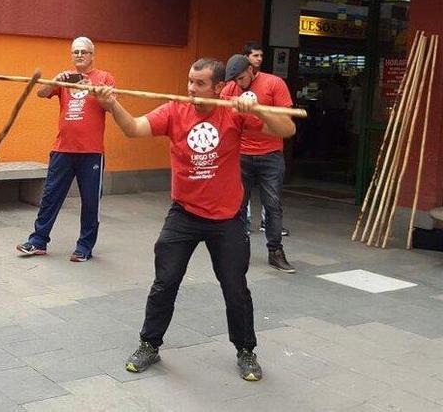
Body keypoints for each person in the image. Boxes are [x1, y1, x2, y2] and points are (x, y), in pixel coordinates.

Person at [93, 58, 296, 381]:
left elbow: (288, 128)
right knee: (165, 282)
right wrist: (110, 103)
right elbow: (134, 129)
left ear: (218, 87)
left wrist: (256, 109)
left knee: (235, 288)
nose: (191, 89)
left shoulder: (232, 110)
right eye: (189, 81)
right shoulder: (175, 110)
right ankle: (149, 344)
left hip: (227, 218)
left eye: (199, 84)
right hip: (184, 214)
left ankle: (246, 351)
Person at [15, 36, 115, 262]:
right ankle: (38, 241)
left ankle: (84, 247)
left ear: (92, 55)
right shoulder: (66, 77)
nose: (79, 55)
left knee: (90, 201)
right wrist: (54, 82)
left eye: (84, 52)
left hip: (91, 152)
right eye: (76, 52)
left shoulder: (104, 78)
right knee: (50, 196)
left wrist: (94, 90)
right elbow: (41, 93)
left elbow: (111, 105)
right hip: (63, 149)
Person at [238, 42, 292, 238]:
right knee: (239, 202)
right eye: (255, 55)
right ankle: (240, 244)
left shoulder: (274, 83)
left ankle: (275, 249)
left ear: (250, 70)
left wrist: (257, 114)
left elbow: (285, 122)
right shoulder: (230, 86)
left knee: (272, 204)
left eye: (261, 56)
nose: (259, 58)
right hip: (241, 154)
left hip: (270, 154)